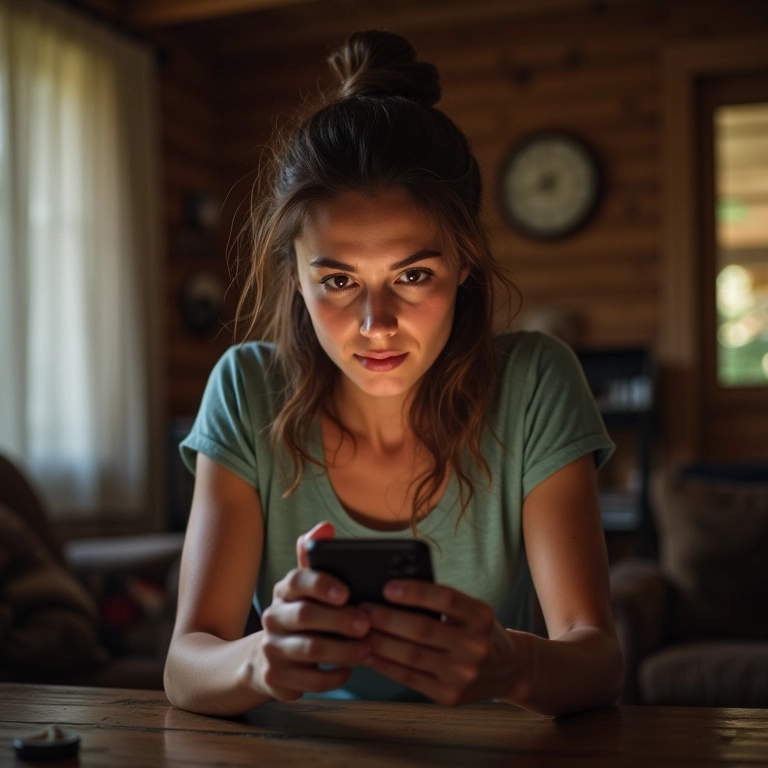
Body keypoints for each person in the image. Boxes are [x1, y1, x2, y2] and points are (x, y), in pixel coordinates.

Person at [163, 29, 624, 717]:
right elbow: (185, 663)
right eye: (340, 280)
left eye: (413, 274)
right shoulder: (246, 388)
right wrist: (260, 657)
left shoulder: (534, 383)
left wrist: (511, 665)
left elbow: (597, 660)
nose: (376, 323)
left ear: (465, 263)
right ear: (294, 277)